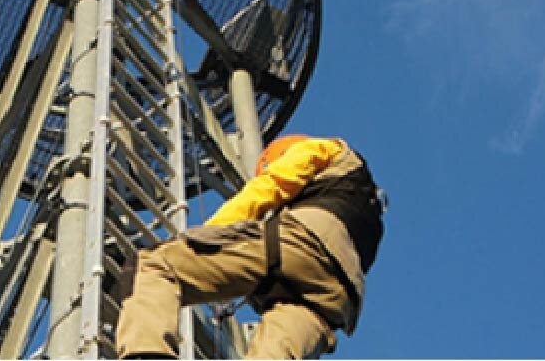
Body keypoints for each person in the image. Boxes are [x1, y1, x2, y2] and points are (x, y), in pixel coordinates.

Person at [115, 135, 385, 359]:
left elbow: (271, 186)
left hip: (299, 245)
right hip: (336, 299)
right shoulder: (368, 211)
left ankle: (147, 354)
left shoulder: (327, 149)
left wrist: (204, 235)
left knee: (155, 265)